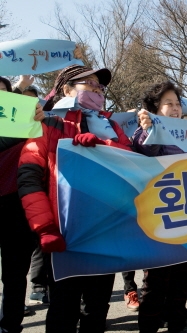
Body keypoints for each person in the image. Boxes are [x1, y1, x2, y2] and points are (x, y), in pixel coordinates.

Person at [17, 64, 132, 333]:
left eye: (99, 85)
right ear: (67, 90)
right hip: (63, 237)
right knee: (63, 310)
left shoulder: (111, 126)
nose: (96, 88)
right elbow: (28, 177)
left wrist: (105, 147)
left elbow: (132, 166)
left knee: (97, 308)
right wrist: (44, 228)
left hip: (105, 232)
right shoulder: (46, 123)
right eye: (88, 83)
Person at [133, 81, 187, 333]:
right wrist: (150, 130)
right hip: (160, 216)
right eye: (168, 103)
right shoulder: (145, 132)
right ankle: (149, 325)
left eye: (178, 103)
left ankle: (177, 321)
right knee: (158, 279)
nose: (175, 108)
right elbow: (143, 151)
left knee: (183, 275)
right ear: (156, 109)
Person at [0, 77, 44, 333]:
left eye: (5, 94)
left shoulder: (31, 122)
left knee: (15, 275)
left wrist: (37, 118)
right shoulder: (18, 128)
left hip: (16, 206)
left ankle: (11, 325)